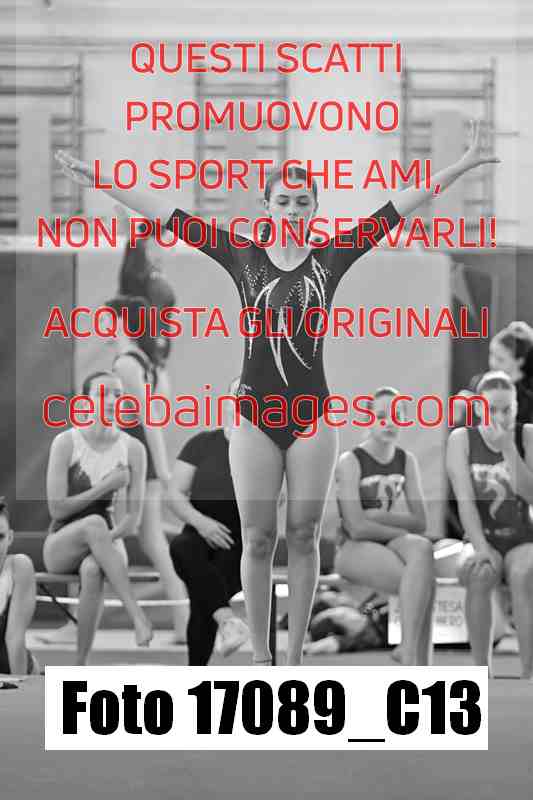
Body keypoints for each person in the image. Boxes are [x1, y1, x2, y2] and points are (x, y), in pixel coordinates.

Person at [56, 119, 499, 665]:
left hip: (312, 417)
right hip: (253, 418)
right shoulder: (242, 257)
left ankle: (292, 660)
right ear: (266, 207)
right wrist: (100, 179)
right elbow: (166, 213)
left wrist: (460, 165)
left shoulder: (331, 257)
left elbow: (397, 209)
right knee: (259, 536)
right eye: (283, 201)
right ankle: (262, 657)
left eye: (302, 202)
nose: (292, 210)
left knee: (304, 534)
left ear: (315, 208)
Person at [44, 370, 153, 663]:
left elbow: (132, 520)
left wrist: (102, 541)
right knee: (93, 524)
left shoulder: (134, 449)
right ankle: (137, 615)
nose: (112, 400)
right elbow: (57, 509)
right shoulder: (66, 443)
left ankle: (81, 664)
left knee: (93, 569)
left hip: (109, 538)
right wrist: (106, 486)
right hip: (62, 542)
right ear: (85, 401)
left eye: (118, 394)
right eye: (102, 394)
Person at [104, 295, 189, 642]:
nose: (100, 327)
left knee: (107, 535)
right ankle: (185, 619)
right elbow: (158, 413)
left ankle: (79, 619)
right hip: (139, 459)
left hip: (134, 460)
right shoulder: (147, 364)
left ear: (122, 323)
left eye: (106, 319)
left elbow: (150, 419)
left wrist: (163, 470)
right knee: (151, 541)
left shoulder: (127, 363)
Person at [334, 388, 434, 665]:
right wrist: (399, 531)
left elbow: (421, 522)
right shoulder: (351, 461)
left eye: (397, 415)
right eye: (381, 416)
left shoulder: (406, 460)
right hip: (352, 548)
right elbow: (356, 527)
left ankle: (411, 654)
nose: (389, 422)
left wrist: (380, 517)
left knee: (423, 548)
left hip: (386, 540)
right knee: (422, 582)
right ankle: (417, 661)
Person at [447, 370, 533, 679]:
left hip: (523, 537)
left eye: (507, 409)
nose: (499, 417)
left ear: (516, 407)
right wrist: (481, 549)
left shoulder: (527, 435)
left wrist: (509, 448)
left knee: (524, 574)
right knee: (480, 574)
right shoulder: (462, 439)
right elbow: (465, 501)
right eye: (491, 410)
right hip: (481, 535)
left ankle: (529, 672)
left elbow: (530, 494)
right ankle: (482, 671)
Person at [168, 377, 249, 665]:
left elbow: (276, 499)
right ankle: (227, 621)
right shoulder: (202, 443)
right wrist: (202, 524)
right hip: (199, 532)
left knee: (203, 597)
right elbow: (175, 493)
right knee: (181, 547)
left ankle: (196, 673)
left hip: (240, 540)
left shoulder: (266, 449)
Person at [0, 498, 39, 675]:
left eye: (0, 537)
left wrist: (22, 686)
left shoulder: (19, 567)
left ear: (10, 537)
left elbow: (14, 638)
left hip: (13, 670)